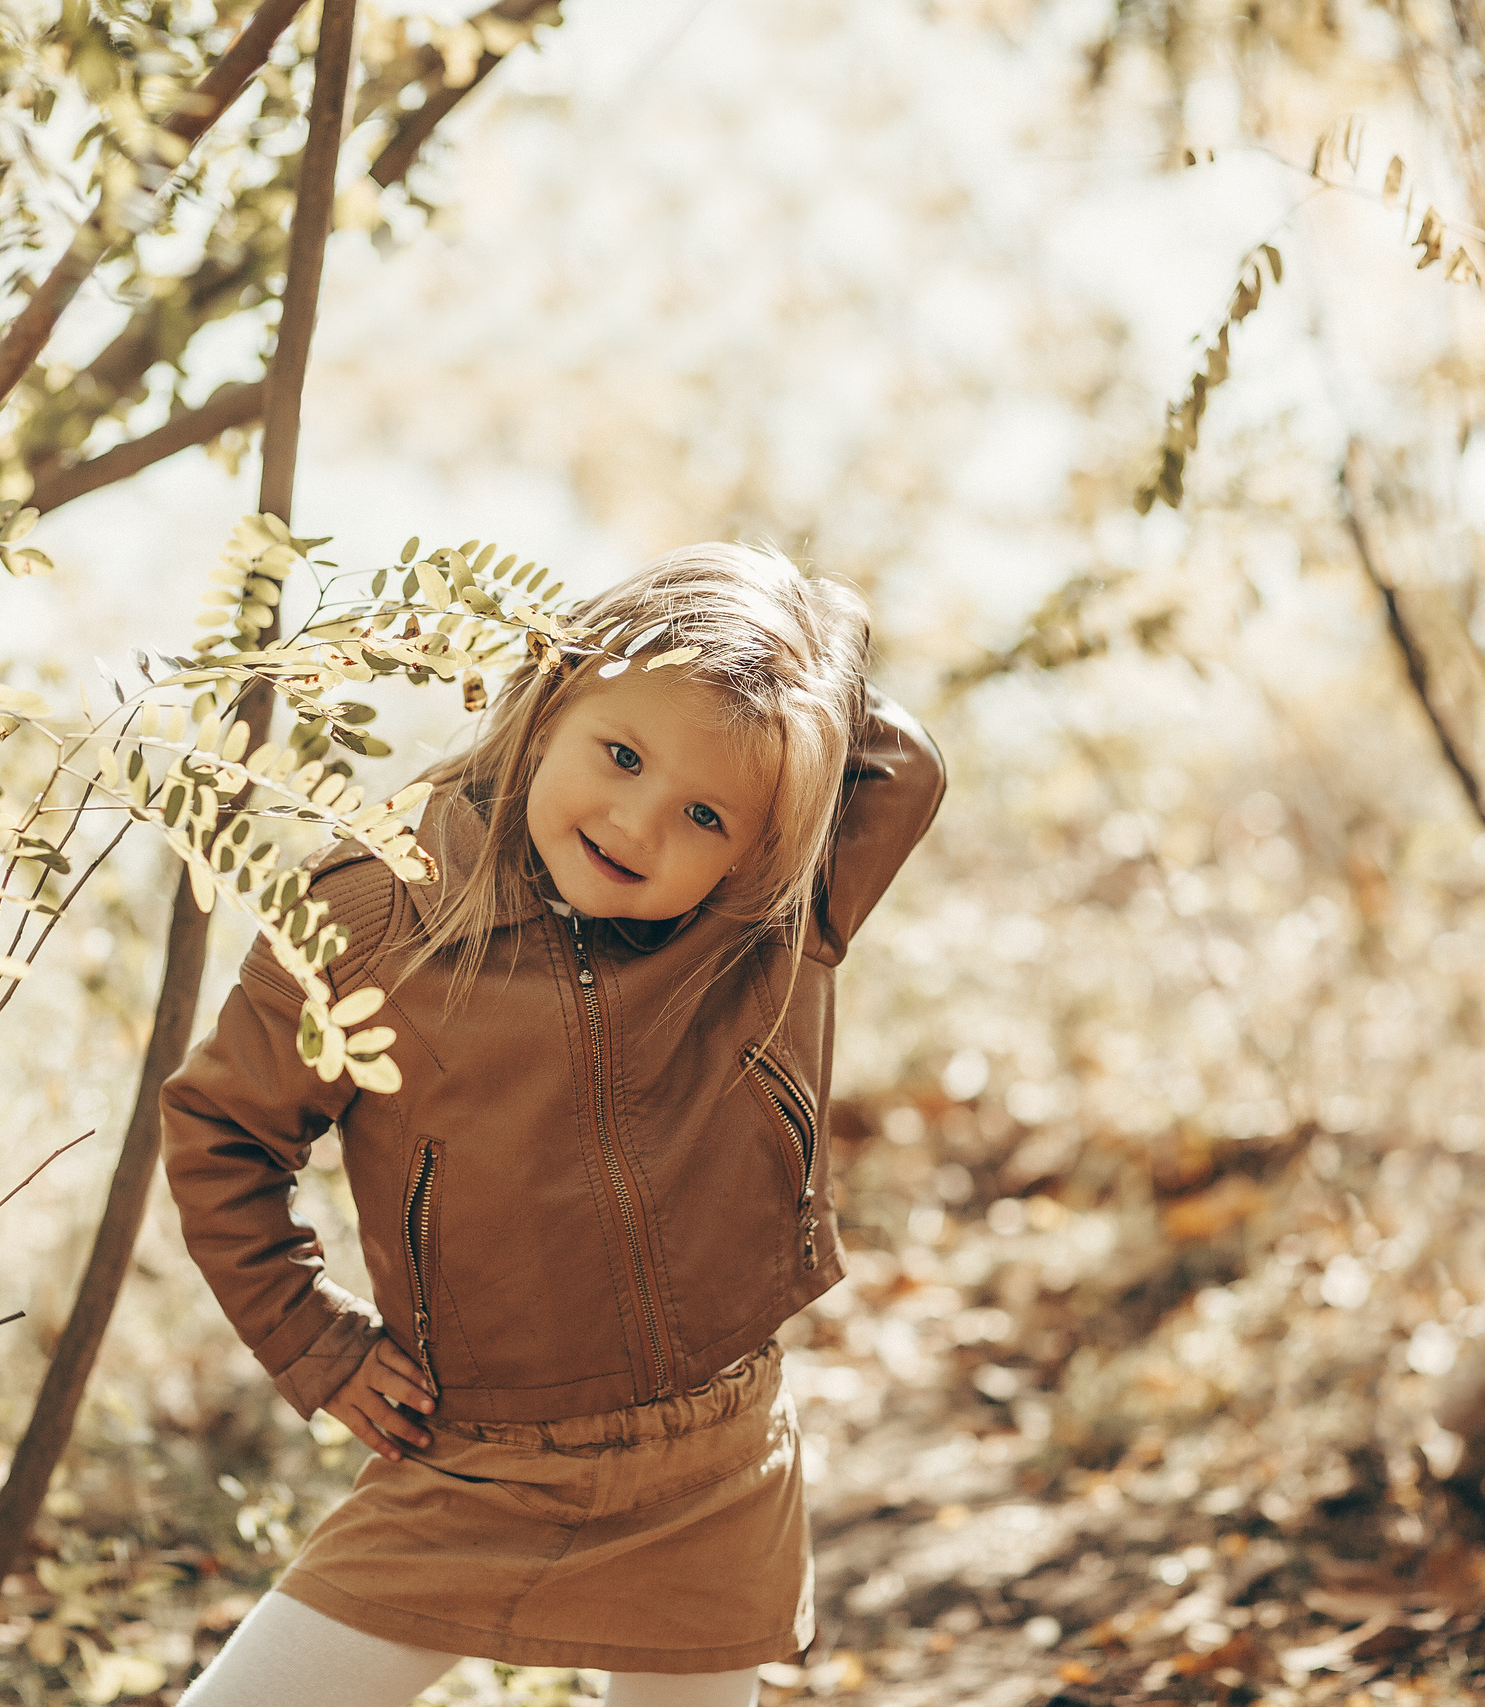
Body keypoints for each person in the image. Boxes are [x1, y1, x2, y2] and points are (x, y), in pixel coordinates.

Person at [161, 541, 945, 1705]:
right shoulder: (376, 904)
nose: (637, 824)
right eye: (620, 754)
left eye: (703, 813)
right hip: (475, 1463)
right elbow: (224, 1129)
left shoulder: (769, 917)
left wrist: (797, 649)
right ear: (552, 692)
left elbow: (903, 768)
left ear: (765, 843)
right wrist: (313, 1341)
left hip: (713, 1452)